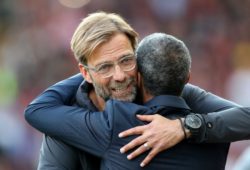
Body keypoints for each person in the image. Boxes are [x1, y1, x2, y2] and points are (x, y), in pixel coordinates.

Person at [24, 12, 250, 169]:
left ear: (140, 60)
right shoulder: (65, 122)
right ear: (85, 73)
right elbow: (36, 110)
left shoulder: (176, 91)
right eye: (105, 67)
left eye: (126, 60)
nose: (120, 75)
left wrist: (184, 127)